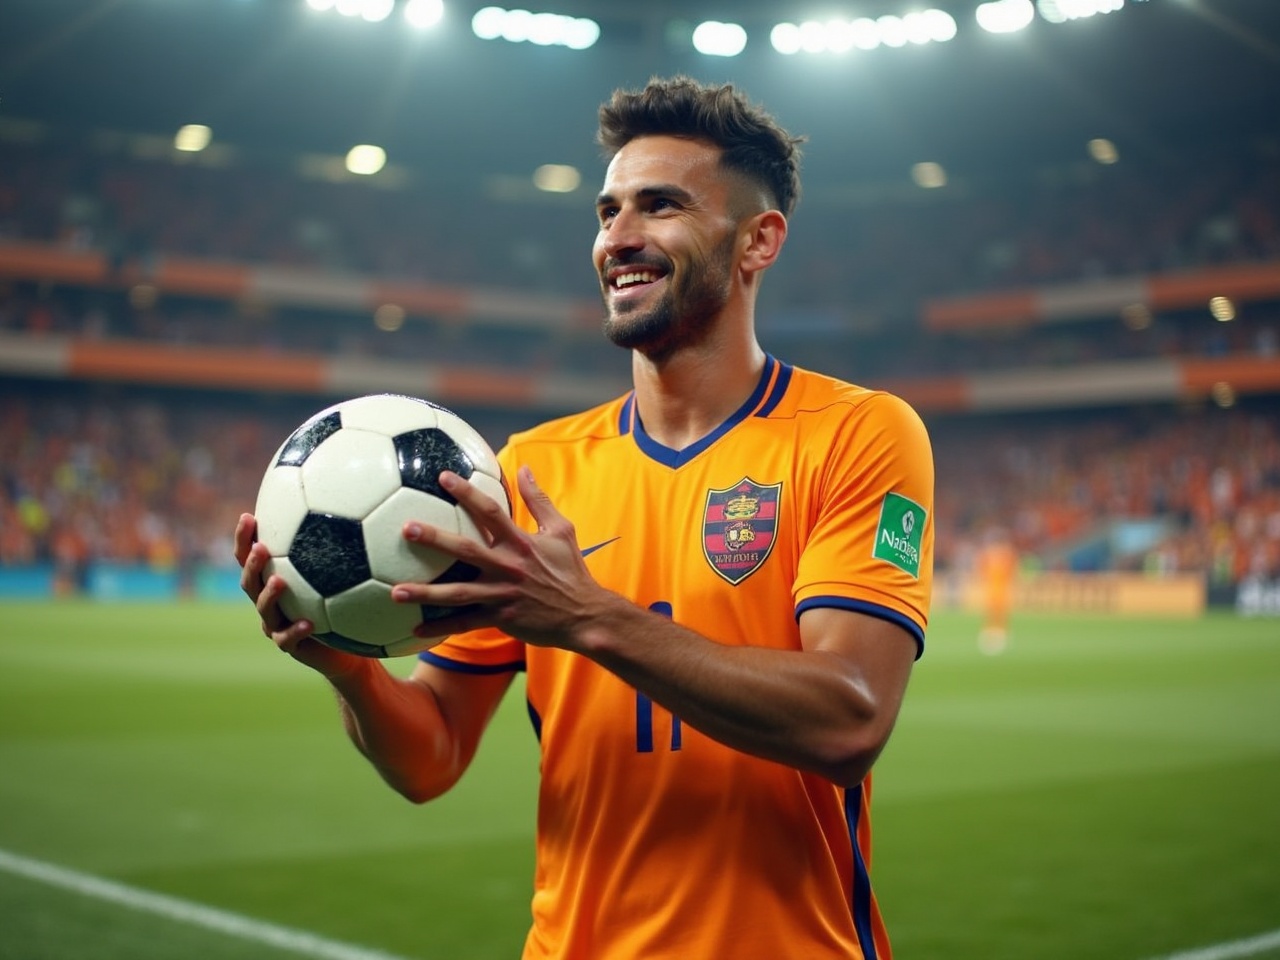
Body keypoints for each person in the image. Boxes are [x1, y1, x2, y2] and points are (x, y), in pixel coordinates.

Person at [236, 75, 935, 960]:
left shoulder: (857, 432)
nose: (619, 238)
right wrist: (349, 671)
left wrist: (587, 616)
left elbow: (850, 720)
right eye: (607, 213)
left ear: (758, 241)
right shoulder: (529, 471)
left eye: (661, 206)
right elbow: (432, 756)